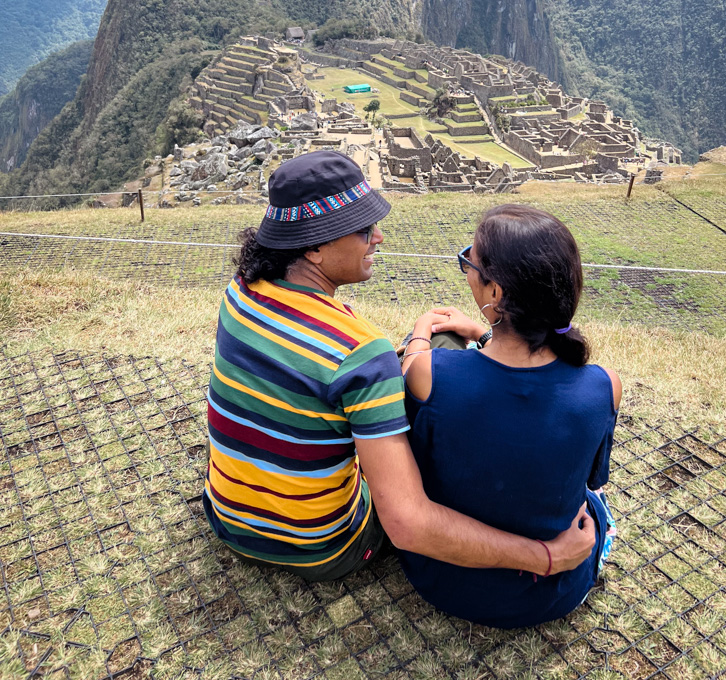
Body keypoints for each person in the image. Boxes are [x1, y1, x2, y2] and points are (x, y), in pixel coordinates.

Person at [203, 151, 595, 581]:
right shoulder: (359, 348)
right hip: (324, 548)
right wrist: (547, 557)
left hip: (229, 522)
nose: (379, 237)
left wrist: (414, 342)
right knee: (441, 356)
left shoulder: (239, 293)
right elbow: (408, 526)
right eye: (364, 229)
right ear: (315, 247)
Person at [398, 204, 621, 627]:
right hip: (554, 595)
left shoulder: (431, 375)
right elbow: (592, 479)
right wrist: (484, 332)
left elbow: (418, 367)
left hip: (442, 583)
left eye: (470, 261)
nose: (466, 268)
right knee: (596, 502)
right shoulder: (604, 386)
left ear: (495, 293)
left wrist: (420, 334)